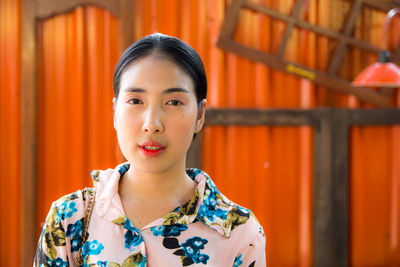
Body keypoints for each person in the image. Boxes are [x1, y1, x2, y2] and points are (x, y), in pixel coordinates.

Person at [34, 33, 266, 267]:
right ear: (115, 111)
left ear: (200, 115)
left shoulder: (240, 234)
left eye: (174, 102)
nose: (152, 124)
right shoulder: (70, 218)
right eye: (136, 101)